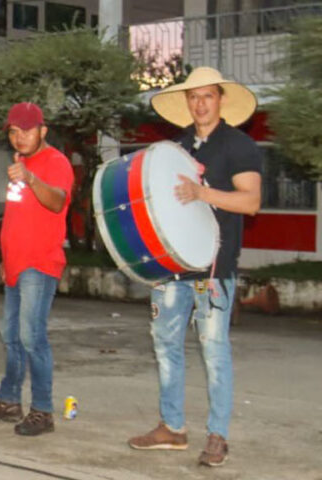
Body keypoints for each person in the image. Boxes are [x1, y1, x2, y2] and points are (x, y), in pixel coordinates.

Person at [128, 67, 262, 467]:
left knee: (214, 351)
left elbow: (251, 201)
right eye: (193, 97)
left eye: (207, 96)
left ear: (221, 99)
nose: (200, 103)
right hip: (173, 268)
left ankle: (217, 435)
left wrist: (202, 192)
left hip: (214, 270)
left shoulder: (239, 145)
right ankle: (172, 427)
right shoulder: (178, 147)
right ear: (186, 103)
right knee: (166, 345)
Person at [0, 102, 72, 436]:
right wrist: (5, 260)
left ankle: (43, 409)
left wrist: (30, 177)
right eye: (13, 131)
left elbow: (57, 201)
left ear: (43, 130)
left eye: (26, 130)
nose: (18, 137)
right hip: (15, 264)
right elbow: (16, 217)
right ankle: (9, 399)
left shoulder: (55, 162)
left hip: (39, 264)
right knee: (11, 336)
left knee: (32, 336)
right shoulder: (20, 163)